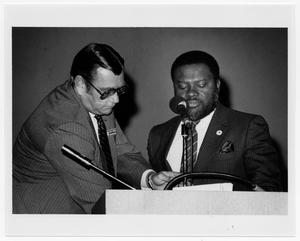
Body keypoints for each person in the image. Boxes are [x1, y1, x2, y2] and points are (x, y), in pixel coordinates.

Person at [13, 43, 177, 214]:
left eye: (119, 90)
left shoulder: (97, 100)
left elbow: (120, 151)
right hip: (43, 214)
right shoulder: (67, 128)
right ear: (81, 84)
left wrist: (150, 178)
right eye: (107, 92)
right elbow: (100, 201)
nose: (116, 100)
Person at [147, 50, 282, 191]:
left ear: (217, 85)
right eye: (182, 86)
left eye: (201, 85)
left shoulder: (249, 127)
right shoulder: (157, 135)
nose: (191, 93)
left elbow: (269, 191)